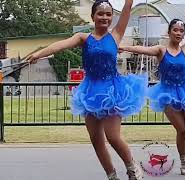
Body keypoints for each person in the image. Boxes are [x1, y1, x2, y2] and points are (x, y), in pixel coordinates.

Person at [26, 0, 145, 179]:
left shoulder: (116, 35)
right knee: (96, 140)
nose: (104, 17)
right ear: (92, 17)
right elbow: (60, 45)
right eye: (100, 13)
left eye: (108, 14)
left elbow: (128, 7)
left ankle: (132, 168)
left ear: (112, 17)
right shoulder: (83, 38)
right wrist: (38, 54)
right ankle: (111, 175)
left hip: (113, 91)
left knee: (112, 136)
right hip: (90, 92)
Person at [120, 8, 185, 176]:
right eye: (175, 30)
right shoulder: (161, 50)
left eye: (182, 31)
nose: (179, 33)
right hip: (167, 93)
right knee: (181, 129)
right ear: (169, 32)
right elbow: (142, 49)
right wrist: (124, 48)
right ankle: (184, 161)